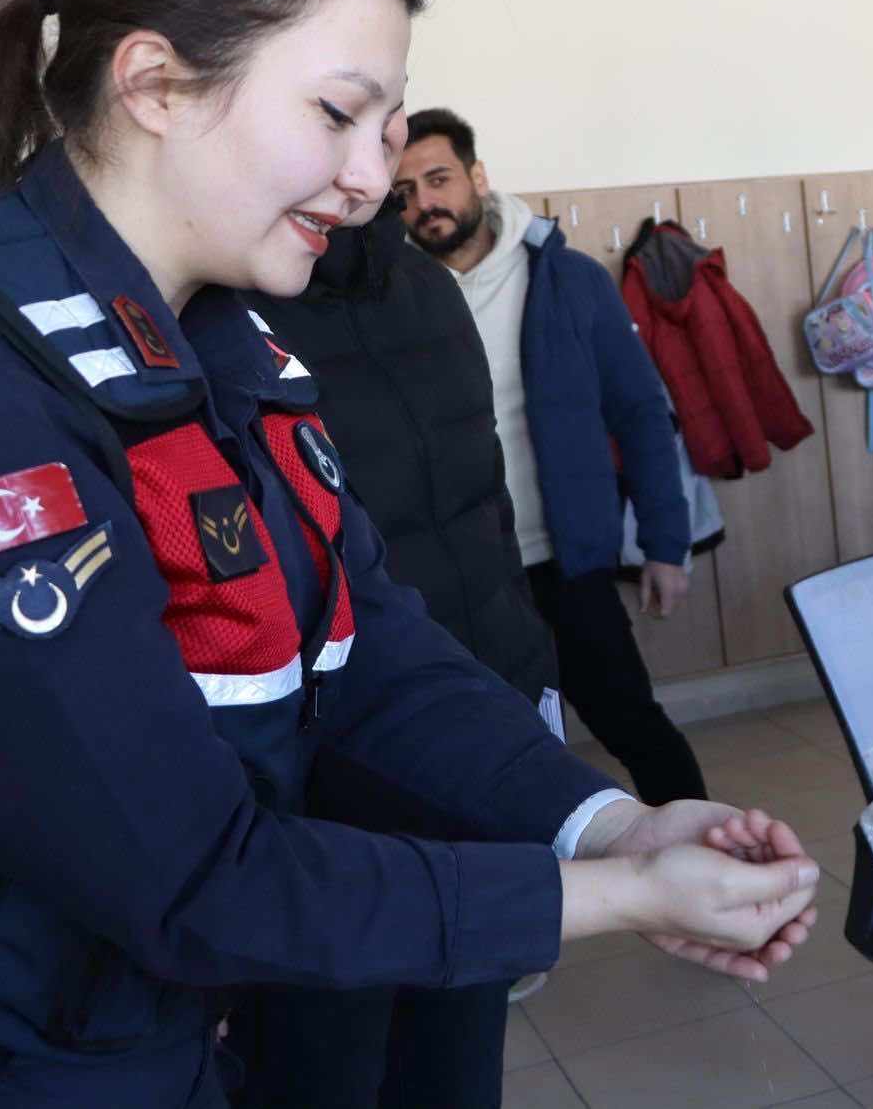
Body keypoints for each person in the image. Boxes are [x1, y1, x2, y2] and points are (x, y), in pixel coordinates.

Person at [0, 0, 815, 1108]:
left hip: (177, 1034)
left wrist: (604, 823)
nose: (374, 177)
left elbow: (369, 651)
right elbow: (192, 880)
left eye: (387, 128)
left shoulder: (227, 345)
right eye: (334, 115)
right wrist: (603, 897)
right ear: (156, 82)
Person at [238, 192, 562, 1106]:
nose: (365, 164)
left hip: (470, 720)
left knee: (457, 1042)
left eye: (385, 126)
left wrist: (530, 671)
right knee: (327, 1053)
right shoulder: (231, 307)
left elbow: (483, 499)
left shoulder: (425, 283)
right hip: (332, 762)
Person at [393, 108, 708, 806]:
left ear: (478, 176)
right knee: (495, 749)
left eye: (438, 179)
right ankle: (544, 895)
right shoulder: (394, 298)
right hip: (462, 573)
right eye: (404, 192)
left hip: (567, 562)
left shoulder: (568, 280)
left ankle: (710, 866)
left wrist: (665, 543)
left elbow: (640, 412)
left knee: (635, 725)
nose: (424, 204)